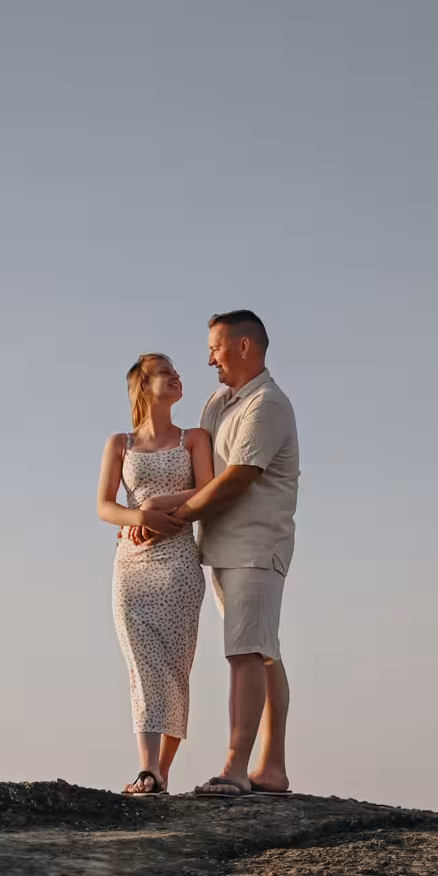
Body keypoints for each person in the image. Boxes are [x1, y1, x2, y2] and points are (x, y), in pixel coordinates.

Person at [164, 310, 300, 797]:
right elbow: (200, 476)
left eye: (215, 347)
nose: (208, 358)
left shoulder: (267, 404)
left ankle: (236, 768)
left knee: (247, 654)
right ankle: (272, 768)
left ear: (244, 346)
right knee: (263, 654)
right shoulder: (219, 403)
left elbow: (239, 478)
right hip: (221, 548)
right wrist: (151, 510)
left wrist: (177, 516)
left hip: (255, 547)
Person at [95, 353, 215, 794]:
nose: (177, 376)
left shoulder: (194, 439)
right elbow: (105, 506)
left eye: (176, 371)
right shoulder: (119, 444)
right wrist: (137, 517)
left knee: (174, 668)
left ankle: (161, 770)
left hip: (179, 563)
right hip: (131, 565)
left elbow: (208, 492)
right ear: (144, 386)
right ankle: (148, 769)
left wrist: (156, 508)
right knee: (141, 664)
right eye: (166, 372)